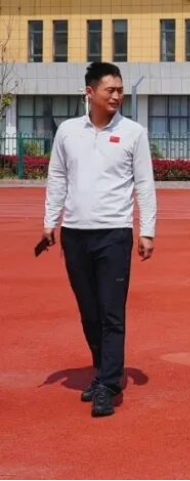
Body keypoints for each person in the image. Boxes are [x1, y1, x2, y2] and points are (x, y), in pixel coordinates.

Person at [43, 61, 157, 418]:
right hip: (75, 234)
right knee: (89, 312)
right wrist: (50, 221)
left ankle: (108, 384)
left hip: (114, 234)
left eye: (120, 90)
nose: (117, 96)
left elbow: (144, 183)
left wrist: (147, 230)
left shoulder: (134, 132)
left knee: (111, 312)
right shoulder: (68, 132)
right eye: (111, 90)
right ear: (89, 92)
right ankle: (103, 369)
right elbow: (57, 177)